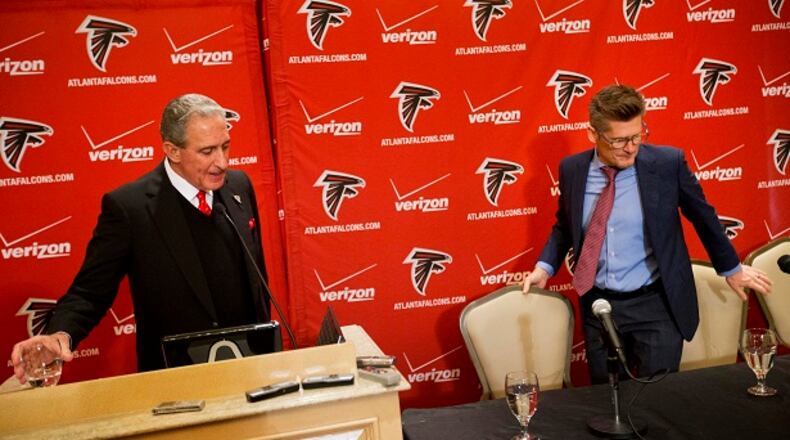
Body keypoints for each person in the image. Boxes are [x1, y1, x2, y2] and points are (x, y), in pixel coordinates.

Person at [521, 85, 772, 383]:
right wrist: (544, 266)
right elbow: (565, 223)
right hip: (598, 306)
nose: (630, 147)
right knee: (607, 400)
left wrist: (730, 268)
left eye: (637, 136)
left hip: (655, 305)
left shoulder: (667, 164)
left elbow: (703, 217)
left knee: (659, 403)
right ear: (593, 134)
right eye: (619, 140)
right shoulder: (573, 169)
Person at [11, 93, 270, 380]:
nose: (221, 162)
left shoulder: (239, 186)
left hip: (249, 367)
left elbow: (254, 277)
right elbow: (89, 291)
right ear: (172, 150)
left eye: (225, 146)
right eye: (207, 152)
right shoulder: (130, 207)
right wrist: (60, 333)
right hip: (176, 376)